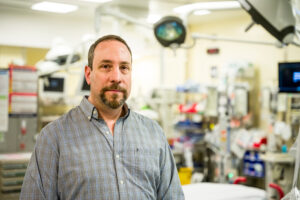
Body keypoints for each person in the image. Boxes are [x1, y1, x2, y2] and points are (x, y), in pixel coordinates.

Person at [20, 34, 185, 200]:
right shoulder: (53, 137)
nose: (116, 77)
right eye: (106, 66)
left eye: (124, 68)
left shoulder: (153, 133)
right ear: (88, 74)